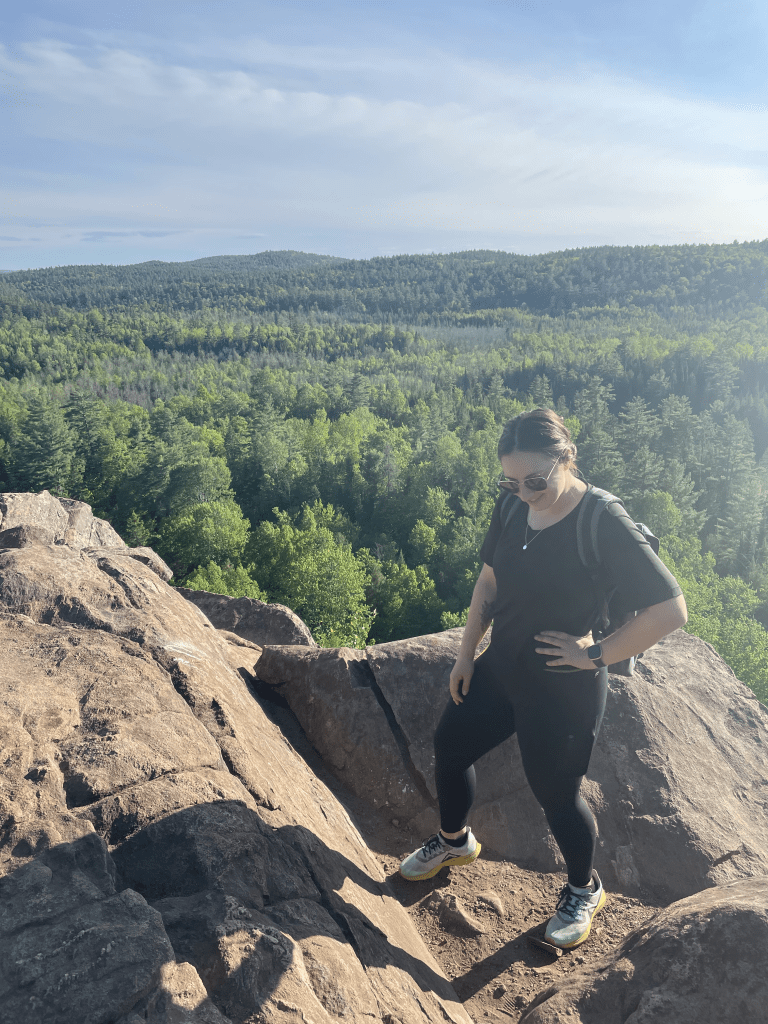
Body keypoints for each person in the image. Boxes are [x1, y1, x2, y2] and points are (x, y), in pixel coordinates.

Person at [399, 408, 687, 949]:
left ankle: (585, 888)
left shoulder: (601, 518)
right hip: (502, 666)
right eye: (511, 480)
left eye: (536, 480)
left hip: (563, 686)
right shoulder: (511, 505)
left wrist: (596, 654)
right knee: (450, 744)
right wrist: (466, 654)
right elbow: (488, 583)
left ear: (566, 457)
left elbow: (671, 609)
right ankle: (454, 841)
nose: (524, 491)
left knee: (556, 794)